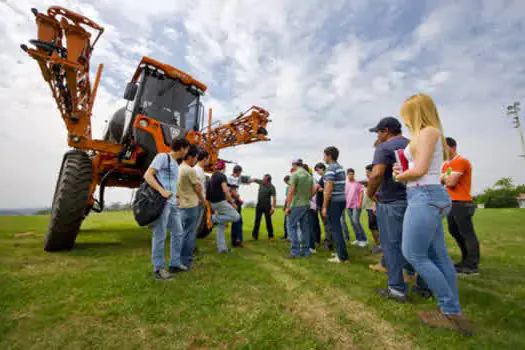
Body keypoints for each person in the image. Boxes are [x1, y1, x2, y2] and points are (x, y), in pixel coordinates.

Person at [395, 93, 472, 335]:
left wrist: (400, 175)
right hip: (427, 195)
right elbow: (423, 168)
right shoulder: (428, 133)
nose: (405, 119)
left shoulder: (427, 132)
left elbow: (418, 171)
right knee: (438, 256)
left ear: (415, 113)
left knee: (413, 253)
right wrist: (404, 170)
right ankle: (451, 309)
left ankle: (451, 311)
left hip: (424, 196)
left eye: (407, 114)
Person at [367, 116, 428, 301]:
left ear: (385, 131)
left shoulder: (384, 147)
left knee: (392, 246)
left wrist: (369, 193)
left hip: (392, 202)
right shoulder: (413, 144)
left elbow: (377, 174)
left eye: (378, 132)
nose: (378, 136)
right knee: (418, 246)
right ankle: (425, 286)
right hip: (416, 199)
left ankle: (396, 289)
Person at [144, 138, 190, 280]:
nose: (187, 152)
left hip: (173, 203)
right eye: (187, 149)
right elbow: (148, 175)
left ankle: (174, 263)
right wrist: (162, 191)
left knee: (178, 232)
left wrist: (176, 197)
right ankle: (158, 269)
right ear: (182, 148)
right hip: (162, 202)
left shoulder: (176, 164)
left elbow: (171, 183)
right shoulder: (162, 157)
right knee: (160, 234)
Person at [441, 137, 480, 275]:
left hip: (462, 202)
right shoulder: (446, 165)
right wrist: (446, 178)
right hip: (451, 202)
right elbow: (441, 180)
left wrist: (445, 178)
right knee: (454, 231)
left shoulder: (461, 161)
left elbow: (451, 182)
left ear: (453, 147)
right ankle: (465, 260)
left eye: (444, 148)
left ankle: (472, 265)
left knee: (467, 233)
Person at [177, 145, 206, 270]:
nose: (196, 160)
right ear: (191, 157)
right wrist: (204, 201)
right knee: (189, 234)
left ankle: (178, 259)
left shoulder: (178, 168)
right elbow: (198, 189)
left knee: (182, 233)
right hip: (191, 206)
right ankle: (186, 261)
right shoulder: (190, 170)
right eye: (195, 157)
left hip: (181, 205)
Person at [322, 147, 349, 263]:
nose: (323, 157)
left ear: (329, 156)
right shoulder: (340, 168)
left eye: (324, 155)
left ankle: (342, 257)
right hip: (341, 200)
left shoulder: (331, 169)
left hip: (334, 201)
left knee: (335, 229)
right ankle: (340, 252)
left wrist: (324, 206)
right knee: (337, 227)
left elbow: (328, 188)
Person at [207, 160, 241, 253]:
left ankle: (222, 249)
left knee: (221, 225)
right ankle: (214, 218)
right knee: (236, 216)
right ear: (224, 168)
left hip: (213, 203)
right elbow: (226, 190)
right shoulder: (222, 176)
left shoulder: (212, 176)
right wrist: (233, 202)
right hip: (220, 202)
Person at [285, 159, 314, 259]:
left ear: (294, 165)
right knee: (305, 228)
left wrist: (288, 207)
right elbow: (312, 191)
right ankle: (306, 251)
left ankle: (295, 252)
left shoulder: (295, 174)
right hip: (306, 204)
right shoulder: (309, 175)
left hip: (296, 204)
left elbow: (291, 192)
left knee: (291, 227)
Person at [344, 168, 368, 247]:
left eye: (352, 174)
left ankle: (364, 239)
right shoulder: (346, 184)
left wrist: (360, 203)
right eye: (349, 174)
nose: (351, 176)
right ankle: (358, 239)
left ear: (354, 174)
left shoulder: (358, 183)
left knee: (356, 221)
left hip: (356, 205)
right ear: (347, 175)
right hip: (348, 206)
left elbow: (361, 193)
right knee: (352, 222)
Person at [314, 163, 333, 250]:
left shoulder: (326, 177)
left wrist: (321, 189)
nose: (317, 172)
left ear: (321, 168)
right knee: (326, 223)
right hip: (321, 203)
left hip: (324, 204)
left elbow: (329, 189)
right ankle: (329, 241)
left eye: (317, 170)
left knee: (327, 224)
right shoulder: (323, 177)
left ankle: (328, 243)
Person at [251, 174, 277, 240]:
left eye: (264, 179)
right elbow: (254, 179)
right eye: (263, 178)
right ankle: (254, 236)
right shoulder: (261, 182)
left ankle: (271, 236)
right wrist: (249, 180)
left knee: (268, 222)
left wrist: (273, 208)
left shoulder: (272, 187)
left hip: (267, 207)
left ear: (268, 181)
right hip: (259, 205)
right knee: (257, 221)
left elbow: (274, 198)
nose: (262, 180)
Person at [194, 150, 210, 254]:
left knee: (193, 226)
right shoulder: (198, 171)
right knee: (195, 226)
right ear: (204, 159)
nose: (208, 161)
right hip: (198, 202)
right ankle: (191, 249)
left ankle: (192, 247)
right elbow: (198, 188)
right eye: (208, 159)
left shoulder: (196, 169)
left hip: (196, 201)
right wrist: (204, 201)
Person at [363, 166, 381, 254]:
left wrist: (375, 205)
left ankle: (379, 245)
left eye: (368, 172)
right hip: (369, 207)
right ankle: (378, 244)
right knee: (372, 226)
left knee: (374, 227)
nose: (366, 174)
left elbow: (376, 195)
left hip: (373, 207)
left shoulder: (375, 181)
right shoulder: (370, 181)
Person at [228, 165, 245, 247]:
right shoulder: (234, 178)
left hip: (232, 202)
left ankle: (237, 241)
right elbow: (233, 191)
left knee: (237, 221)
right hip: (234, 202)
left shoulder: (230, 177)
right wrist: (239, 200)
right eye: (240, 172)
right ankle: (237, 241)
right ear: (238, 172)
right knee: (238, 221)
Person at [282, 175, 291, 240]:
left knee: (287, 222)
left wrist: (285, 206)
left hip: (289, 206)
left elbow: (287, 198)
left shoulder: (289, 187)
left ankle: (287, 236)